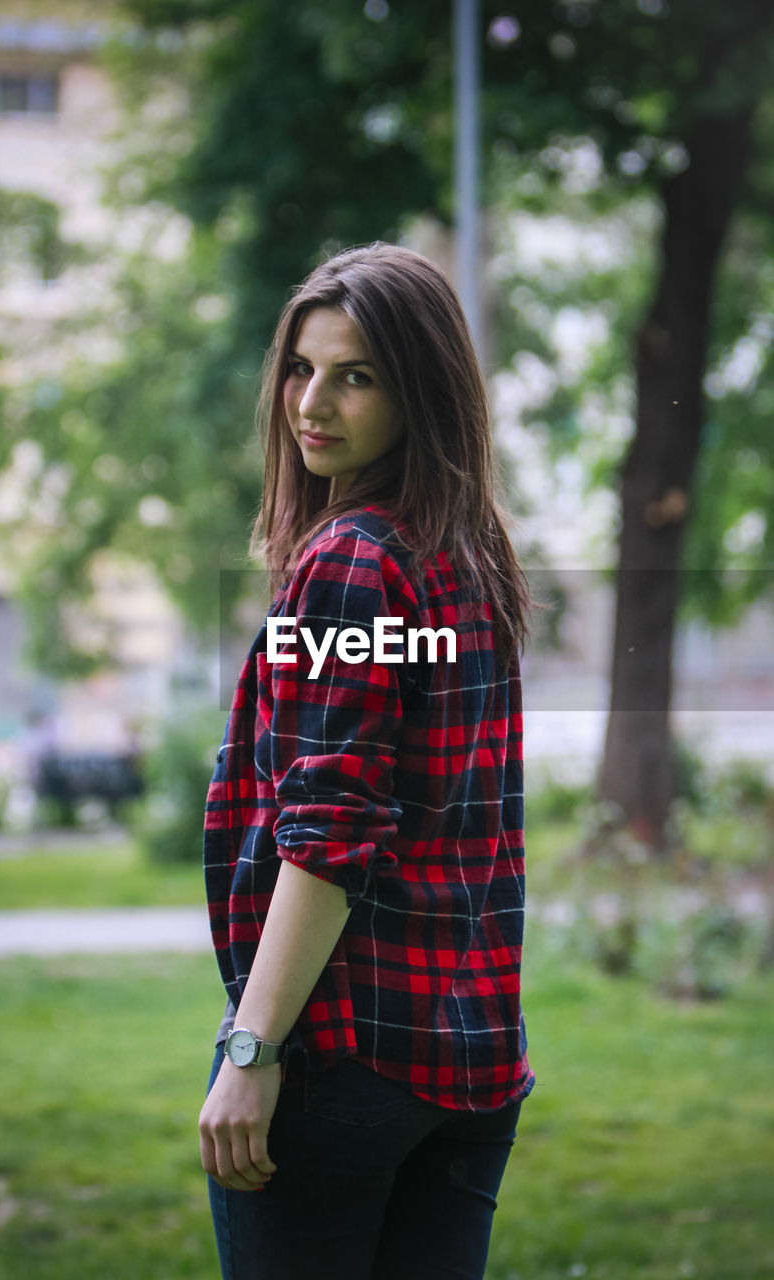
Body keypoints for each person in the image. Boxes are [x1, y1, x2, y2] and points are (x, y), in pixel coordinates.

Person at [199, 242, 534, 1280]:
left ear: (420, 390)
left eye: (356, 375)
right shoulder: (469, 553)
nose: (312, 402)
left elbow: (331, 832)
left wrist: (252, 1052)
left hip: (344, 1054)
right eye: (302, 368)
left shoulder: (353, 561)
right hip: (469, 1063)